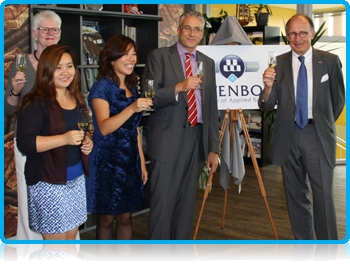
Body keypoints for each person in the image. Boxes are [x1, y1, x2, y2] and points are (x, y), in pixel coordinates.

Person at [258, 14, 345, 240]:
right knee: (296, 196)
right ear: (287, 36)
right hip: (288, 136)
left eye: (303, 33)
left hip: (317, 136)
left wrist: (319, 123)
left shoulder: (330, 61)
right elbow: (266, 105)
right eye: (292, 34)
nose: (298, 38)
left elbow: (338, 101)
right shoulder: (279, 63)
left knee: (324, 196)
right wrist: (267, 87)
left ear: (312, 33)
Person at [142, 9, 219, 240]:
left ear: (202, 33)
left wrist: (213, 149)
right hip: (168, 141)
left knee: (186, 209)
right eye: (187, 27)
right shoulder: (159, 56)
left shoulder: (208, 62)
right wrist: (179, 87)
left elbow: (212, 108)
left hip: (197, 141)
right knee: (162, 208)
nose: (192, 33)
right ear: (178, 30)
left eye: (197, 29)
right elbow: (150, 97)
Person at [16, 45, 93, 240]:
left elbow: (83, 133)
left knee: (71, 244)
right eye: (58, 67)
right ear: (46, 69)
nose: (65, 72)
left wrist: (87, 143)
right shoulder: (33, 102)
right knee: (55, 249)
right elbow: (25, 144)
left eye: (69, 66)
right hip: (48, 182)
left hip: (76, 180)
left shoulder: (76, 97)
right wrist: (64, 139)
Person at [86, 35, 151, 240]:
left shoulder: (133, 87)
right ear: (112, 58)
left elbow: (135, 129)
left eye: (134, 53)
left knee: (125, 218)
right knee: (106, 220)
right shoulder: (101, 88)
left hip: (130, 160)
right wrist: (132, 108)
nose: (131, 58)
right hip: (106, 161)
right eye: (125, 53)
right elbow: (104, 128)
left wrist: (141, 162)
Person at [4, 10, 62, 240]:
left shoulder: (65, 63)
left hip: (59, 140)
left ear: (59, 34)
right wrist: (15, 91)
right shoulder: (21, 66)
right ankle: (31, 251)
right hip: (29, 143)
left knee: (56, 199)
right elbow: (9, 108)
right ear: (35, 34)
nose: (49, 33)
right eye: (44, 29)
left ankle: (60, 250)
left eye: (54, 29)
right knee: (30, 201)